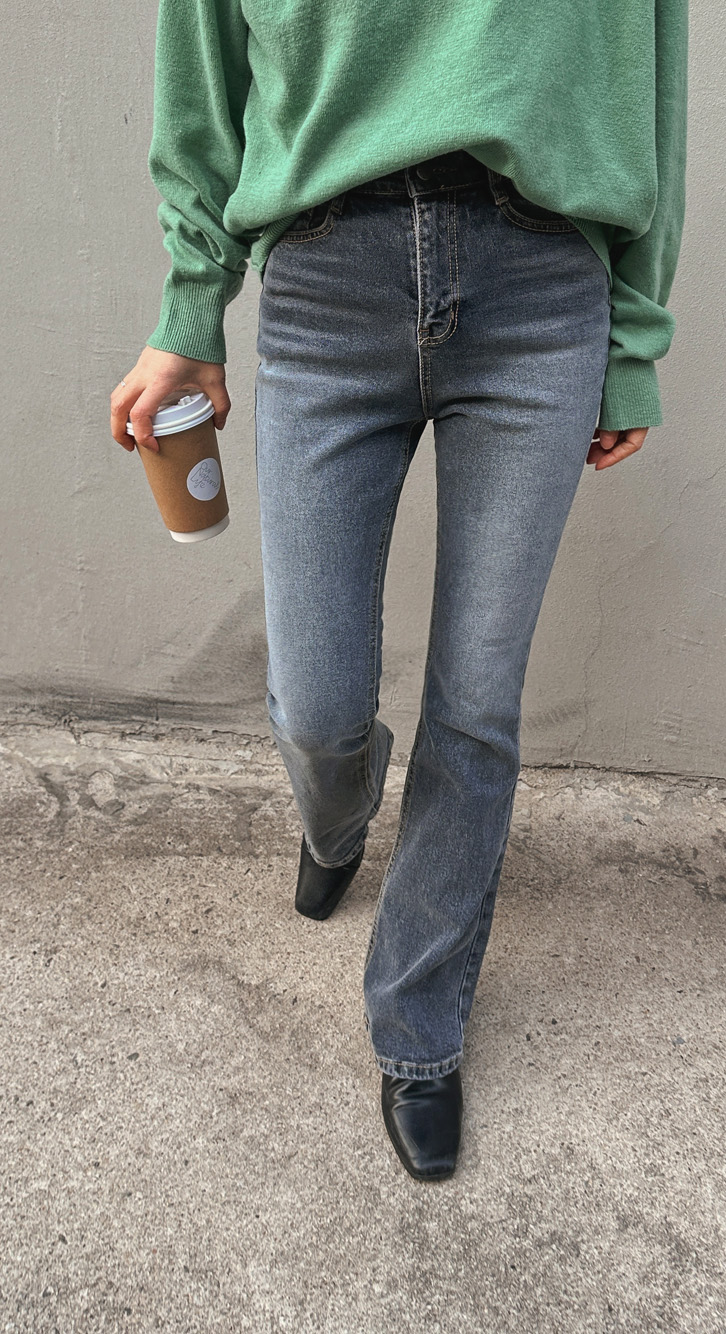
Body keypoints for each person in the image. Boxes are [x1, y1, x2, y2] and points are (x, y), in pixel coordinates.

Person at [111, 0, 688, 1182]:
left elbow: (652, 79)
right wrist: (189, 303)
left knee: (475, 701)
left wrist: (632, 339)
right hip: (329, 277)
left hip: (541, 292)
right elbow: (203, 68)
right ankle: (336, 816)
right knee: (316, 698)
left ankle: (418, 1026)